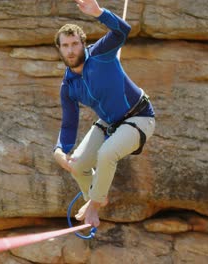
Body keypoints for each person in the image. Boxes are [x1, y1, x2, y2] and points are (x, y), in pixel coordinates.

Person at [52, 0, 155, 227]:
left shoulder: (101, 53)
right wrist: (60, 150)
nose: (71, 50)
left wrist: (99, 13)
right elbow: (69, 124)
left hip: (139, 116)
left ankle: (94, 205)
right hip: (109, 123)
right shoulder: (68, 87)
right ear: (59, 49)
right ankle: (97, 198)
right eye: (65, 45)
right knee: (77, 164)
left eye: (75, 44)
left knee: (107, 153)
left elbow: (122, 31)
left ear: (83, 44)